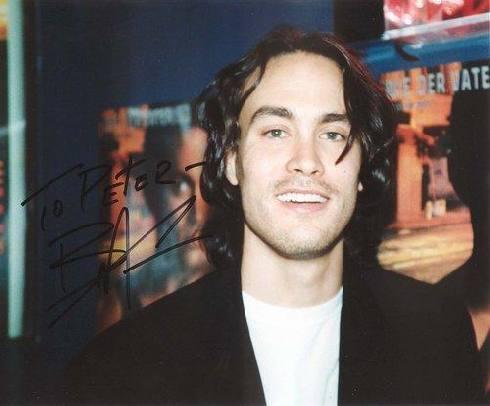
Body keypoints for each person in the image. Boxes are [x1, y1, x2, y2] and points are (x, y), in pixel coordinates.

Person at [65, 26, 483, 404]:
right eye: (276, 132)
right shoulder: (122, 369)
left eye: (333, 133)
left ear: (361, 166)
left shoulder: (436, 333)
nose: (307, 160)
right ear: (231, 160)